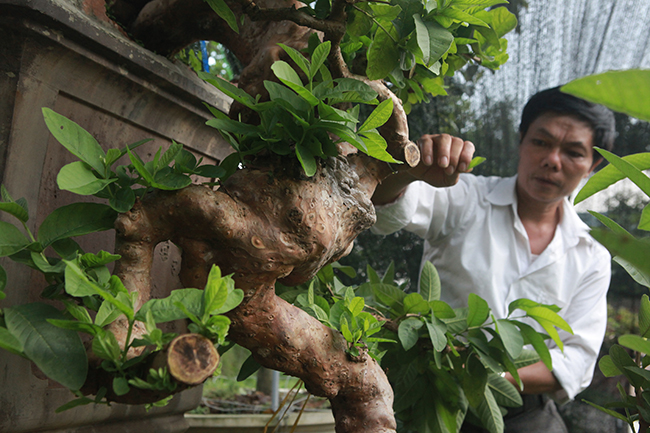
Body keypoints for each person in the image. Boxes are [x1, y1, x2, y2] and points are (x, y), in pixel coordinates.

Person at [371, 87, 616, 433]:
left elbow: (576, 360)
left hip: (525, 413)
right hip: (433, 396)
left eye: (573, 152)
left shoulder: (591, 257)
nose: (552, 160)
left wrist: (490, 375)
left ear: (595, 165)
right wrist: (411, 170)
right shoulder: (465, 197)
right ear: (521, 141)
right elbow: (385, 212)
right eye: (541, 142)